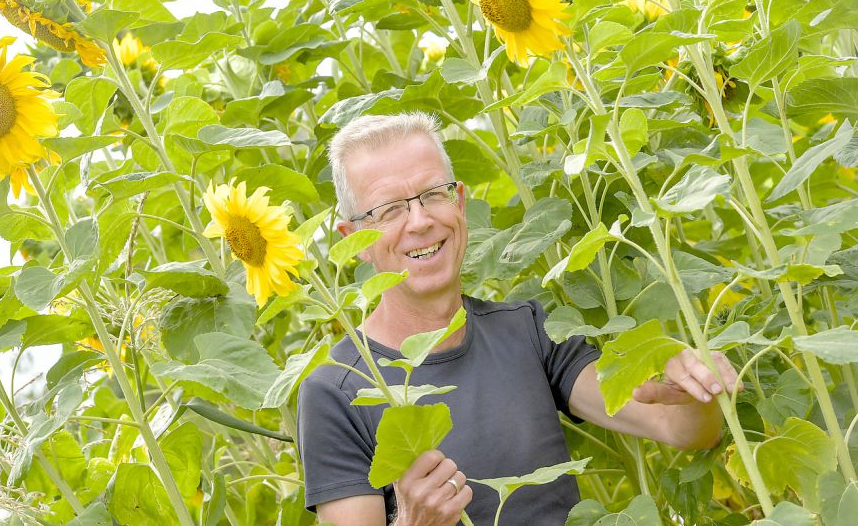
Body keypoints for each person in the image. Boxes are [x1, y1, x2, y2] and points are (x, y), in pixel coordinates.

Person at [296, 113, 739, 526]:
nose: (420, 221)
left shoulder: (527, 329)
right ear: (354, 240)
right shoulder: (337, 391)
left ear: (460, 202)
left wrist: (696, 388)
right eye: (390, 209)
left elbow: (678, 431)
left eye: (433, 194)